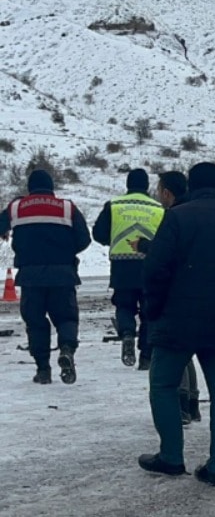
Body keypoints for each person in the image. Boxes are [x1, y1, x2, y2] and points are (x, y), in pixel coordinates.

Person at [139, 162, 215, 487]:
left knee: (163, 385)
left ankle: (171, 457)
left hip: (177, 322)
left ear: (192, 186)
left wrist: (155, 311)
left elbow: (156, 270)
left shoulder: (177, 218)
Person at [0, 170, 91, 384]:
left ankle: (43, 370)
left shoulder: (17, 207)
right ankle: (67, 349)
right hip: (63, 274)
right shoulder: (67, 207)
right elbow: (84, 239)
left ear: (29, 188)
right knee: (66, 318)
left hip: (31, 277)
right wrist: (67, 252)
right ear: (52, 188)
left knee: (36, 323)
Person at [137, 171, 203, 424]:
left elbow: (164, 256)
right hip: (196, 293)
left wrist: (144, 247)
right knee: (187, 355)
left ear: (167, 192)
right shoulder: (195, 211)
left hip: (177, 296)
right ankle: (193, 404)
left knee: (175, 353)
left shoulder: (175, 215)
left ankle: (183, 406)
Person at [93, 169, 164, 369]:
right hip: (150, 265)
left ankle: (127, 334)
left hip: (122, 265)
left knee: (124, 306)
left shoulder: (114, 205)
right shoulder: (158, 208)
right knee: (149, 312)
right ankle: (146, 358)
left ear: (128, 184)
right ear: (146, 185)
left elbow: (98, 233)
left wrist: (113, 241)